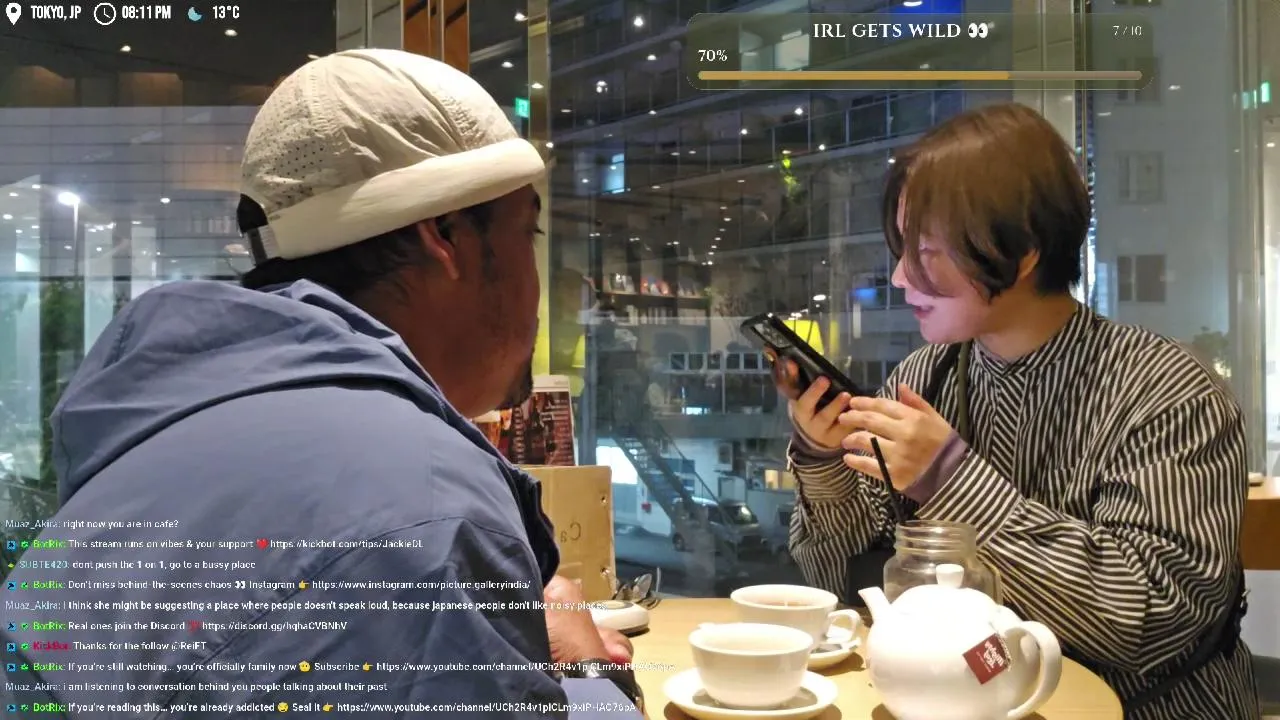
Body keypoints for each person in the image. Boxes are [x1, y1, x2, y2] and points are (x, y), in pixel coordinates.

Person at [1, 50, 642, 718]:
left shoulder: (160, 427)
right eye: (526, 232)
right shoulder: (427, 507)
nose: (540, 288)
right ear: (446, 236)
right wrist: (588, 671)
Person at [781, 102, 1258, 719]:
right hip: (956, 704)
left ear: (1022, 248)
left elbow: (1151, 621)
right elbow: (837, 582)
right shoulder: (924, 378)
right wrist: (824, 458)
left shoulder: (1168, 391)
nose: (900, 277)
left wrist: (950, 479)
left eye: (925, 250)